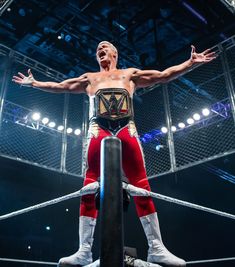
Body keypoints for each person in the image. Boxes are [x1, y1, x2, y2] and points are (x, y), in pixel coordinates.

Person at [12, 41, 216, 267]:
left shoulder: (129, 74)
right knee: (89, 184)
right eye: (97, 47)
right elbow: (62, 86)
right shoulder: (90, 78)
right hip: (97, 128)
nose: (99, 48)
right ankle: (84, 251)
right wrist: (35, 83)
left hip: (126, 128)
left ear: (115, 54)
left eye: (104, 46)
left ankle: (157, 248)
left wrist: (190, 63)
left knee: (141, 184)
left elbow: (164, 75)